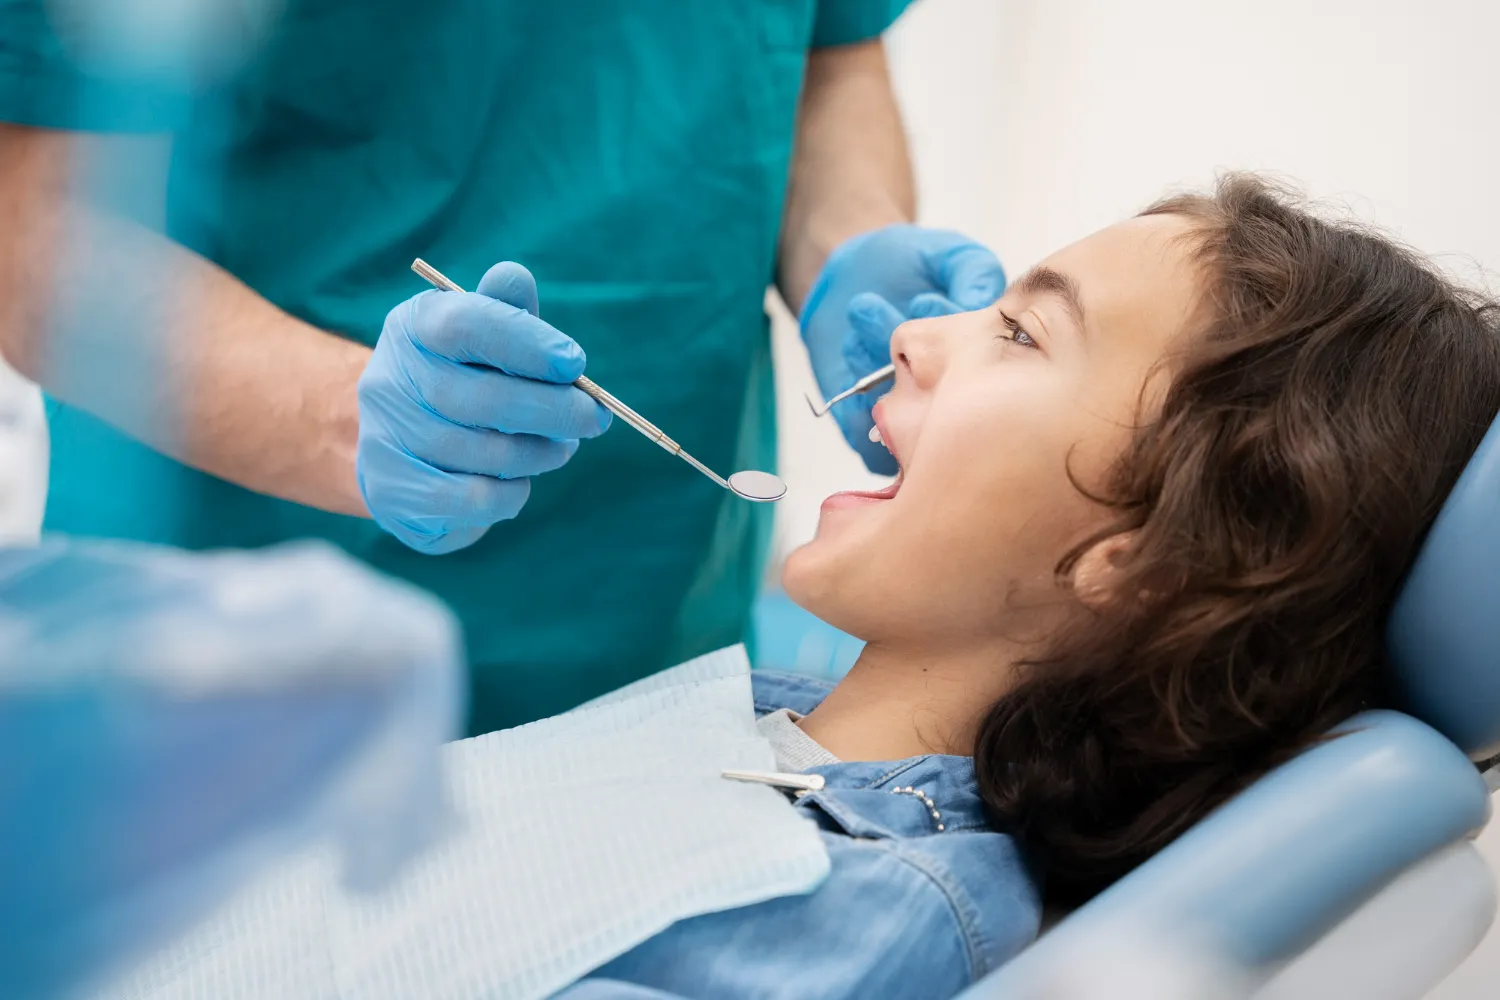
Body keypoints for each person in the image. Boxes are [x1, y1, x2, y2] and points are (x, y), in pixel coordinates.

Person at [115, 175, 1500, 999]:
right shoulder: (776, 730)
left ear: (1134, 556)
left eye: (1019, 332)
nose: (917, 340)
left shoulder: (868, 912)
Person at [0, 1, 1006, 732]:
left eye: (1027, 336)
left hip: (661, 640)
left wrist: (846, 250)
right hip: (231, 669)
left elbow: (827, 54)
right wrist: (347, 416)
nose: (936, 348)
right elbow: (35, 223)